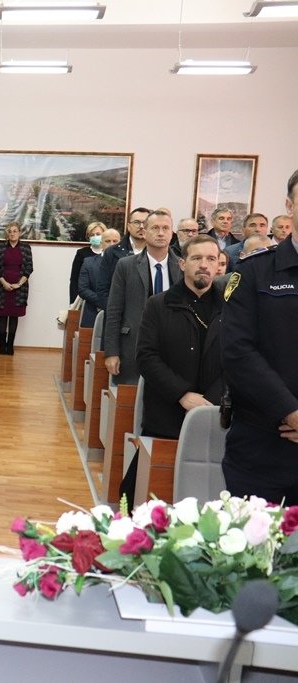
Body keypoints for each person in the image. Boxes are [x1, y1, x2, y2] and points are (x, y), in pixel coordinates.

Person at [121, 235, 225, 502]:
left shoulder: (232, 308)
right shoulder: (159, 304)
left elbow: (238, 359)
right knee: (146, 497)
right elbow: (146, 357)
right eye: (196, 258)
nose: (204, 265)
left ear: (219, 265)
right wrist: (182, 394)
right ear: (182, 263)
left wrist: (210, 401)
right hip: (167, 413)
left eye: (211, 259)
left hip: (216, 415)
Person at [220, 169, 298, 505]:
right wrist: (290, 411)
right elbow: (237, 351)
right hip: (262, 448)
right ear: (289, 206)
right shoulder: (254, 271)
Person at [103, 210, 181, 385]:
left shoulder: (182, 266)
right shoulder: (126, 265)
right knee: (130, 396)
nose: (161, 233)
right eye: (155, 228)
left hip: (173, 348)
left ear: (172, 233)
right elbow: (114, 310)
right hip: (133, 345)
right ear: (144, 232)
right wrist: (112, 352)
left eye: (166, 228)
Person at [94, 206, 151, 311]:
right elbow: (103, 290)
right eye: (137, 222)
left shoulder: (157, 252)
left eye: (145, 223)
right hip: (118, 314)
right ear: (129, 226)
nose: (141, 227)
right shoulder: (111, 252)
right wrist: (114, 313)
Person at [0, 222, 33, 355]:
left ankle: (10, 345)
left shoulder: (26, 247)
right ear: (7, 234)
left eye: (15, 231)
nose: (12, 234)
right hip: (1, 286)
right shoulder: (1, 247)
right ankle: (2, 344)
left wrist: (18, 284)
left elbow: (29, 268)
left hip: (19, 287)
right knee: (2, 315)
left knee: (14, 315)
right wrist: (4, 283)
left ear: (19, 233)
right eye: (10, 231)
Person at [78, 228, 121, 327]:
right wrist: (106, 302)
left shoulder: (128, 263)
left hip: (121, 316)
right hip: (94, 314)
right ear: (101, 243)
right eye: (107, 241)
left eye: (115, 241)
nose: (111, 244)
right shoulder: (89, 263)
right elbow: (83, 289)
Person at [69, 221, 106, 303]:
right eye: (92, 235)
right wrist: (73, 302)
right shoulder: (81, 253)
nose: (95, 237)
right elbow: (74, 279)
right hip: (85, 298)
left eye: (98, 234)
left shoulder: (109, 253)